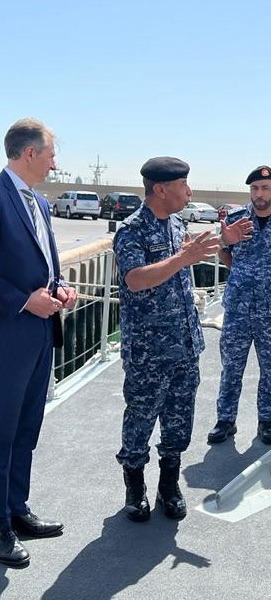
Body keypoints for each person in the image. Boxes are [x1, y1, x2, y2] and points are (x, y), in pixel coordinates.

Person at [114, 156, 252, 522]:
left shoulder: (176, 224)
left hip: (185, 345)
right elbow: (135, 279)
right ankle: (135, 486)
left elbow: (187, 254)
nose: (189, 192)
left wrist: (225, 238)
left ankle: (168, 484)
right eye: (183, 186)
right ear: (160, 190)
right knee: (140, 418)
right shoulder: (131, 230)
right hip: (148, 350)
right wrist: (181, 258)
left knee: (179, 421)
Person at [0, 118, 77, 568]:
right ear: (29, 154)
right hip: (9, 331)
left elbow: (47, 263)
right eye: (50, 154)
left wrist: (60, 286)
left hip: (40, 332)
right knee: (2, 432)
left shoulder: (39, 204)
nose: (54, 163)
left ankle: (16, 509)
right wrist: (23, 300)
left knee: (26, 428)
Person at [208, 166, 271, 446]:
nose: (259, 194)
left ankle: (266, 422)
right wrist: (238, 270)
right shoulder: (236, 220)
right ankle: (225, 421)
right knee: (231, 368)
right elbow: (223, 250)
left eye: (264, 188)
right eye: (254, 189)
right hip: (238, 308)